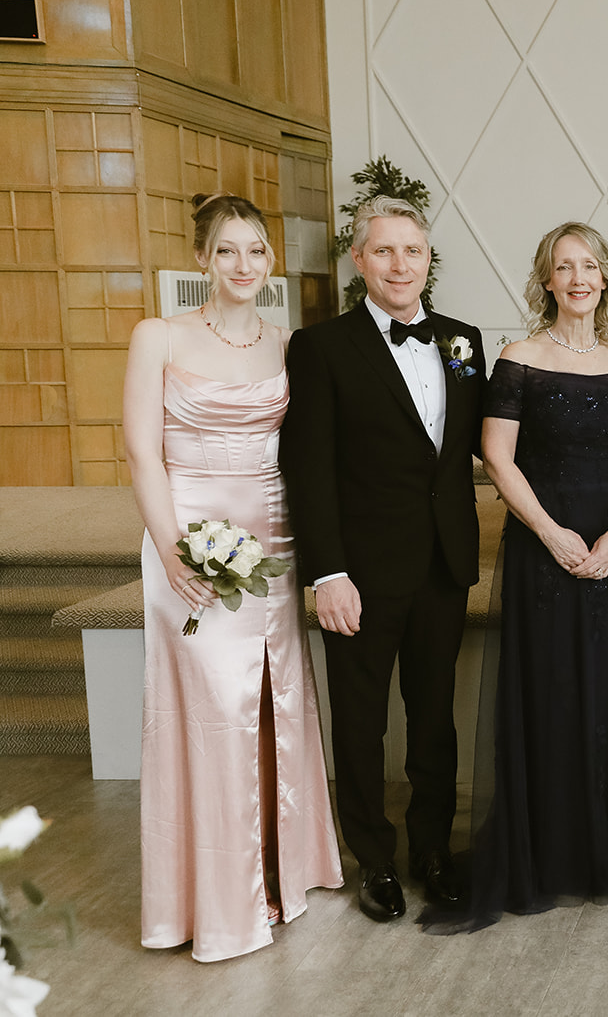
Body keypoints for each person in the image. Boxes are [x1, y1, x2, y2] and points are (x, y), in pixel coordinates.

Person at [125, 193, 342, 961]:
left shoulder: (291, 346)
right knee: (212, 707)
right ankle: (217, 901)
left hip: (273, 537)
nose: (244, 264)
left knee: (274, 701)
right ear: (201, 260)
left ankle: (280, 875)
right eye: (227, 251)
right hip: (188, 540)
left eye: (256, 250)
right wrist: (173, 546)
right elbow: (142, 454)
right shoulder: (159, 335)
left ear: (270, 261)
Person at [280, 196, 486, 922]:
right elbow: (309, 469)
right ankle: (373, 859)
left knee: (434, 719)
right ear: (360, 260)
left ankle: (433, 850)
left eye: (415, 252)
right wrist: (327, 573)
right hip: (360, 573)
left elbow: (476, 449)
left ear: (429, 261)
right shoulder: (321, 347)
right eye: (386, 251)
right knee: (362, 723)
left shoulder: (464, 341)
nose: (402, 265)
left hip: (444, 563)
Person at [446, 222, 608, 927]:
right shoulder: (519, 357)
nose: (577, 278)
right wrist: (552, 533)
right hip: (544, 548)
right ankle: (547, 851)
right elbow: (497, 457)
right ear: (546, 281)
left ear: (604, 278)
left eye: (588, 265)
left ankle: (604, 848)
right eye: (563, 267)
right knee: (551, 694)